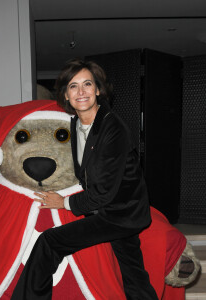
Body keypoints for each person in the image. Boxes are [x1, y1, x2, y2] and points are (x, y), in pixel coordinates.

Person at [11, 58, 158, 300]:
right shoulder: (76, 124)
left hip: (118, 214)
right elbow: (86, 170)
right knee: (134, 277)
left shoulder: (113, 129)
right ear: (66, 95)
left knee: (49, 242)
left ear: (98, 90)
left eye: (87, 84)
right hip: (121, 210)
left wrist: (64, 203)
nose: (81, 92)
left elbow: (103, 193)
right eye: (73, 86)